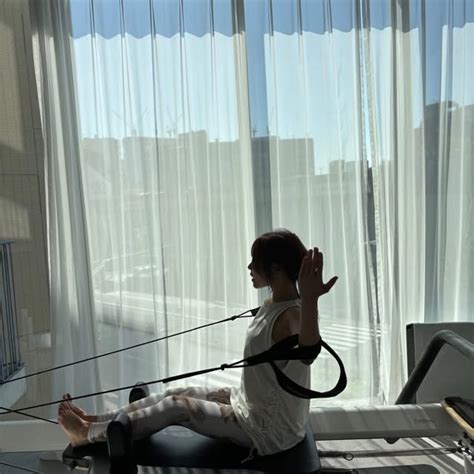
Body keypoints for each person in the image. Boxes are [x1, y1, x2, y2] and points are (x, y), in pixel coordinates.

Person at [58, 229, 338, 456]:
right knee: (176, 392)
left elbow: (308, 352)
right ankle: (97, 420)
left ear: (275, 268)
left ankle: (86, 435)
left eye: (256, 261)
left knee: (177, 406)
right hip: (247, 403)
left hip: (267, 430)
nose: (250, 267)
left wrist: (311, 299)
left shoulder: (294, 316)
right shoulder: (274, 304)